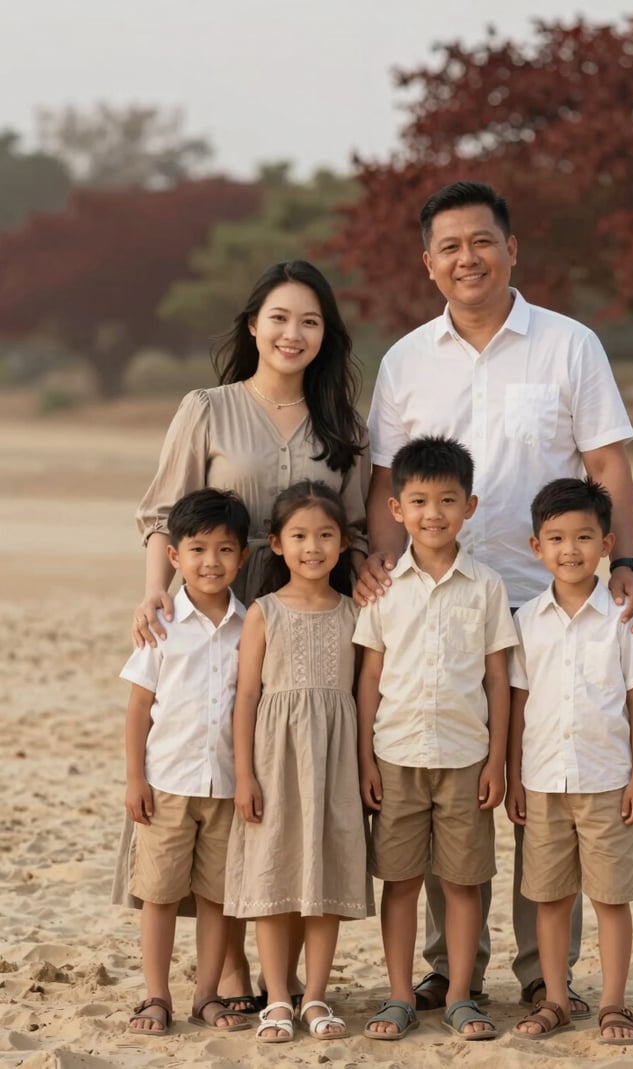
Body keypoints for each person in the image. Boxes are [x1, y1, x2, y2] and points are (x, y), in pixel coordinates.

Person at [355, 180, 633, 1014]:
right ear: (427, 263)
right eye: (448, 246)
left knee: (537, 783)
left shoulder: (568, 345)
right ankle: (449, 969)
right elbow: (386, 481)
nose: (467, 258)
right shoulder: (405, 359)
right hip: (434, 606)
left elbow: (607, 468)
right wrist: (381, 576)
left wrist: (626, 561)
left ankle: (538, 973)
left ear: (512, 248)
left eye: (482, 241)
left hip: (542, 602)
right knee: (444, 774)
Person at [126, 259, 369, 1011]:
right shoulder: (208, 406)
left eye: (310, 321)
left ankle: (283, 975)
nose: (293, 333)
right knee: (222, 787)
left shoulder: (344, 426)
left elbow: (355, 532)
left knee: (286, 797)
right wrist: (154, 594)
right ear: (253, 325)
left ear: (326, 335)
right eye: (280, 318)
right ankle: (227, 971)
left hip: (309, 622)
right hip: (218, 613)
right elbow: (165, 515)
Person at [354, 437, 517, 1041]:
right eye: (418, 500)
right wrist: (365, 758)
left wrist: (497, 760)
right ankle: (399, 994)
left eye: (447, 500)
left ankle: (457, 995)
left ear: (469, 506)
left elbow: (497, 678)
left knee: (462, 881)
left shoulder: (487, 587)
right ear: (395, 508)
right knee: (399, 881)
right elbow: (369, 676)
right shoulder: (383, 588)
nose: (433, 513)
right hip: (395, 756)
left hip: (465, 757)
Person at [507, 477, 633, 1043]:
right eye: (556, 538)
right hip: (543, 780)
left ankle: (615, 1004)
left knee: (611, 897)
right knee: (549, 896)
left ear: (606, 542)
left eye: (583, 537)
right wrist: (512, 778)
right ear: (536, 547)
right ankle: (554, 998)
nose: (570, 550)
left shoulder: (623, 615)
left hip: (605, 781)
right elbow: (518, 703)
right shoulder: (526, 622)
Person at [224, 481, 372, 1043]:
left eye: (326, 535)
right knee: (275, 870)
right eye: (300, 536)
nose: (314, 547)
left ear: (342, 544)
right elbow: (245, 697)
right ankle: (279, 997)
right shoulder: (263, 613)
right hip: (273, 760)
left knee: (325, 869)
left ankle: (315, 995)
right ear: (278, 545)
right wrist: (244, 774)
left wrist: (363, 767)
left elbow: (362, 697)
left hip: (333, 761)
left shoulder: (354, 612)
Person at [121, 488, 252, 1036]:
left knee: (217, 896)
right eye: (197, 549)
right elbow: (138, 708)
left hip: (224, 786)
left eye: (225, 550)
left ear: (242, 558)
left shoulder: (253, 627)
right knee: (159, 893)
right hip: (168, 782)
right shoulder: (162, 625)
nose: (211, 562)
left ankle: (206, 995)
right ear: (174, 556)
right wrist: (135, 778)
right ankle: (156, 995)